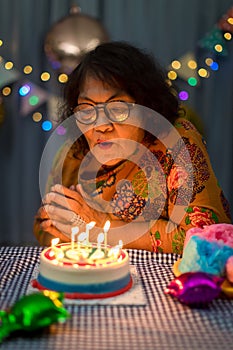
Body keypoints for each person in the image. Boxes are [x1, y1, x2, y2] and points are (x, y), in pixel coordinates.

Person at [34, 41, 231, 253]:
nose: (100, 126)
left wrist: (99, 227)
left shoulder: (177, 143)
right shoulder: (74, 152)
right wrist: (66, 226)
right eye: (87, 109)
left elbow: (205, 238)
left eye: (118, 108)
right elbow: (45, 227)